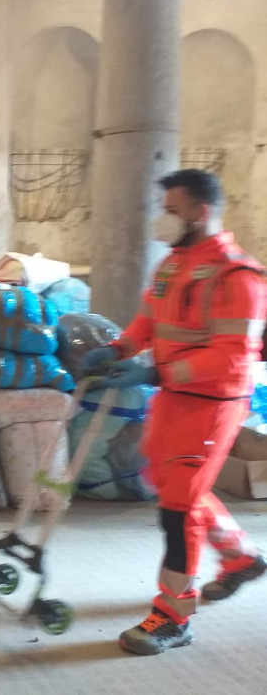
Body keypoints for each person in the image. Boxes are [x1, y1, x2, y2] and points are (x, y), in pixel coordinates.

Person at [84, 169, 266, 656]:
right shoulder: (173, 264)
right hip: (172, 399)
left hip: (211, 407)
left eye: (172, 210)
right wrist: (119, 348)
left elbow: (232, 357)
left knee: (178, 510)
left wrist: (155, 372)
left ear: (201, 212)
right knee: (172, 488)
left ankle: (172, 617)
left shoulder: (238, 276)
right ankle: (242, 557)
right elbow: (150, 319)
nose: (162, 220)